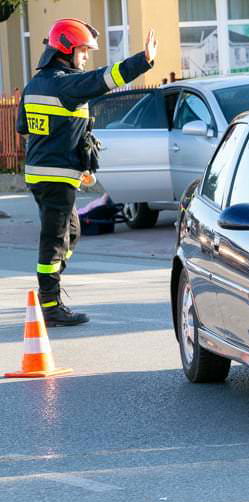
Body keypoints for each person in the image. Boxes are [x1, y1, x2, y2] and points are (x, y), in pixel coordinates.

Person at [16, 19, 157, 326]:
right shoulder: (66, 84)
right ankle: (50, 304)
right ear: (65, 50)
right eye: (82, 51)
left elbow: (23, 127)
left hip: (43, 174)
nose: (84, 58)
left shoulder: (34, 85)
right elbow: (104, 79)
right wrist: (142, 60)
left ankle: (49, 287)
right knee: (54, 240)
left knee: (72, 232)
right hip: (57, 176)